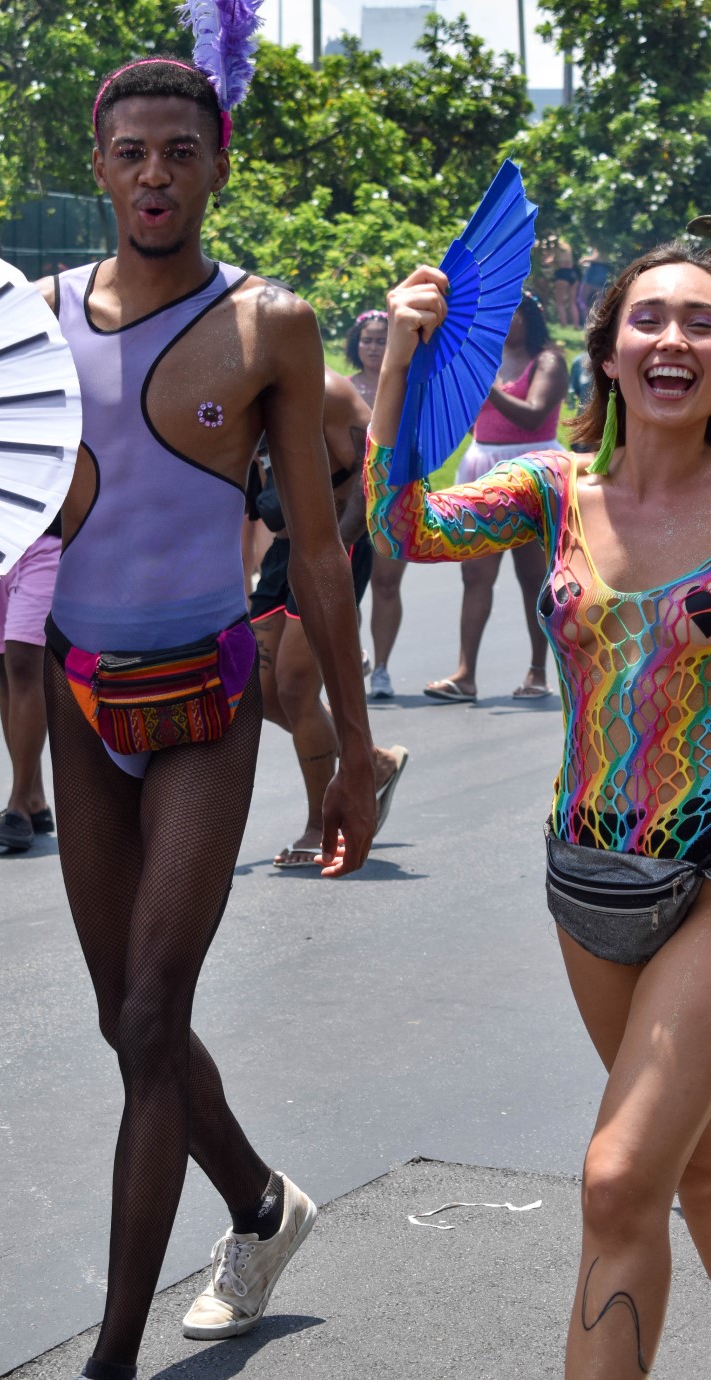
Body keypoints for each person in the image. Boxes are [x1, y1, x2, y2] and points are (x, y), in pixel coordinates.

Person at [0, 57, 377, 1380]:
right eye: (131, 152)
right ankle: (257, 1203)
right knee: (132, 1021)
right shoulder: (34, 316)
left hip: (212, 694)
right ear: (101, 161)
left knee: (155, 1005)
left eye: (181, 150)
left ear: (219, 159)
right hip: (80, 694)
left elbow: (322, 551)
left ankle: (111, 1357)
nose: (156, 174)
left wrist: (343, 752)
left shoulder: (269, 325)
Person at [367, 239, 711, 1379]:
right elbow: (405, 526)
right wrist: (401, 364)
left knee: (618, 1178)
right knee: (694, 1171)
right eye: (649, 319)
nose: (675, 340)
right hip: (587, 879)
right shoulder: (552, 490)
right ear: (607, 351)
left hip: (708, 872)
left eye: (702, 323)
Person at [249, 359, 408, 866]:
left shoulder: (325, 392)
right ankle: (376, 761)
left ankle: (321, 823)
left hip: (332, 545)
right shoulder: (236, 392)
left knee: (296, 688)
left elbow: (374, 474)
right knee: (262, 693)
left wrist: (335, 546)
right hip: (280, 553)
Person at [423, 296, 567, 701]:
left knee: (533, 577)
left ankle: (538, 673)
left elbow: (533, 414)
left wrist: (486, 386)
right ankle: (465, 674)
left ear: (530, 317)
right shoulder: (484, 359)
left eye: (512, 313)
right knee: (475, 575)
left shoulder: (548, 361)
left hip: (533, 469)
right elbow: (473, 421)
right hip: (484, 466)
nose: (504, 320)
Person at [0, 521, 61, 851]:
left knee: (24, 663)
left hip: (47, 534)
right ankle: (34, 800)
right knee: (3, 664)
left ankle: (18, 805)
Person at [346, 308, 406, 698]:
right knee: (346, 588)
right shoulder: (341, 387)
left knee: (386, 585)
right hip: (347, 502)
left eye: (381, 340)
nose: (372, 346)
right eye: (366, 339)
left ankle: (382, 668)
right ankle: (354, 659)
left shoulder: (407, 386)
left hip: (395, 495)